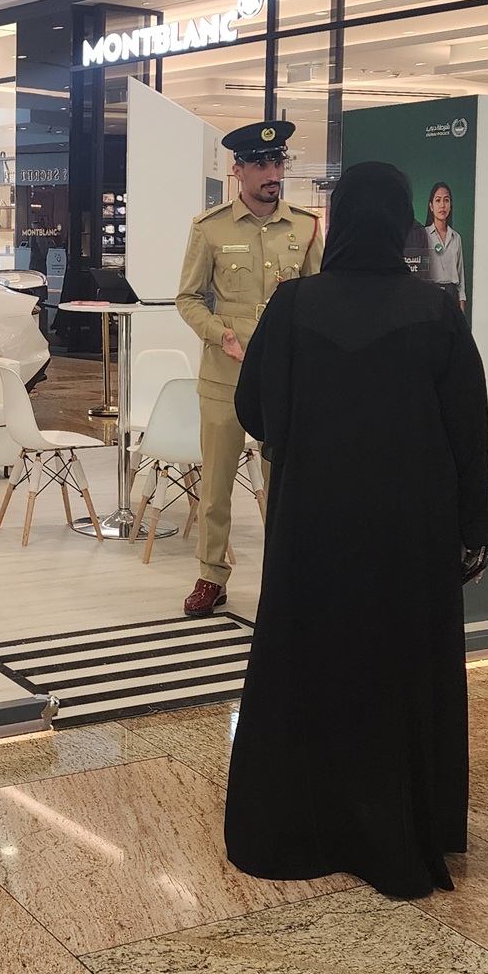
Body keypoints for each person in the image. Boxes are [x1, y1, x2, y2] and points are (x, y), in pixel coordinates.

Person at [224, 162, 488, 899]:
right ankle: (401, 822)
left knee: (312, 657)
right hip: (410, 528)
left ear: (338, 220)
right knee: (399, 662)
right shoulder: (434, 310)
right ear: (403, 223)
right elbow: (467, 429)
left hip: (314, 522)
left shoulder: (293, 304)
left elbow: (253, 408)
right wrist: (474, 523)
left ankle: (306, 816)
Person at [174, 120, 323, 617]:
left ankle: (284, 580)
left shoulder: (305, 226)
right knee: (216, 487)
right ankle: (211, 576)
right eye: (261, 164)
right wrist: (220, 333)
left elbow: (318, 296)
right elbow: (188, 298)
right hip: (224, 377)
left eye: (277, 162)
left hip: (284, 380)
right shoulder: (210, 227)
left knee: (283, 488)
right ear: (237, 170)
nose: (272, 173)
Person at [421, 181, 465, 310]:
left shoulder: (456, 237)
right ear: (431, 206)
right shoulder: (423, 235)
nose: (442, 205)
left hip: (452, 296)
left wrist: (461, 309)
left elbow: (461, 279)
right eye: (438, 200)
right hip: (430, 295)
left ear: (450, 206)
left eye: (446, 200)